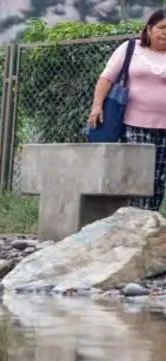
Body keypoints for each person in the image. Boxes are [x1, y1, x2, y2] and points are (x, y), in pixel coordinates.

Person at [88, 8, 166, 211]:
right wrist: (97, 106)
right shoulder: (131, 48)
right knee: (140, 174)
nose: (165, 32)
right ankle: (135, 218)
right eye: (162, 28)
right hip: (135, 124)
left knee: (159, 177)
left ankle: (150, 221)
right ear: (149, 29)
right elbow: (106, 78)